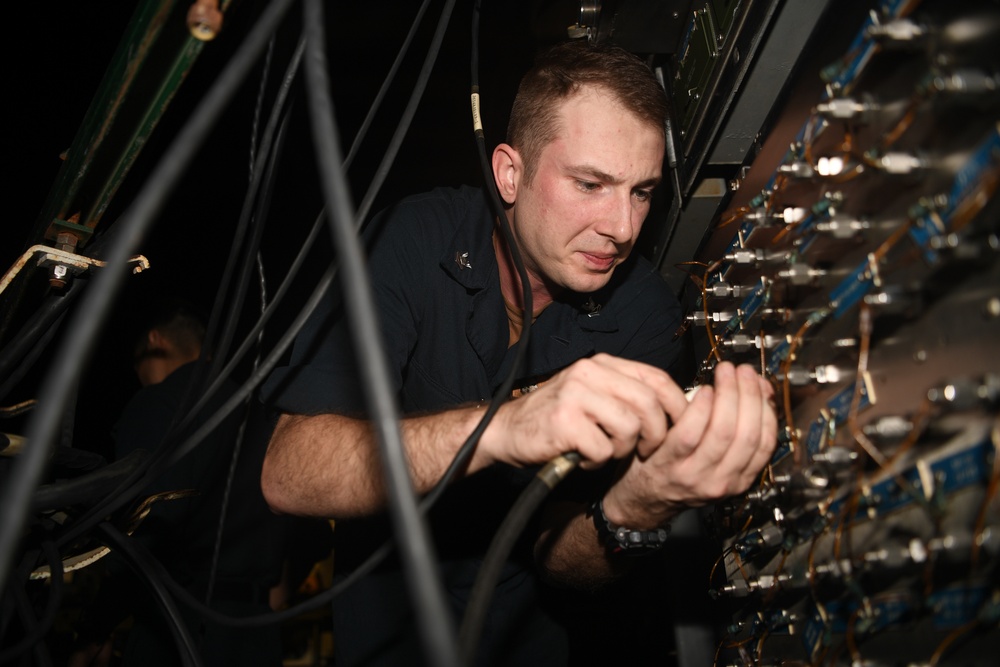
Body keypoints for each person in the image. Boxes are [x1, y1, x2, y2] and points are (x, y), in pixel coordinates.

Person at [260, 40, 777, 666]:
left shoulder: (648, 322)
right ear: (510, 172)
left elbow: (558, 552)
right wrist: (504, 427)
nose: (622, 226)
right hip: (382, 637)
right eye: (591, 184)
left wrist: (636, 509)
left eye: (642, 192)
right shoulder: (415, 238)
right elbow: (290, 472)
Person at [71, 299, 286, 667]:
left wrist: (96, 626)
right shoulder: (262, 413)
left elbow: (144, 527)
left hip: (177, 628)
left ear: (156, 341)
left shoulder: (159, 402)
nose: (141, 378)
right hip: (258, 630)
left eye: (139, 368)